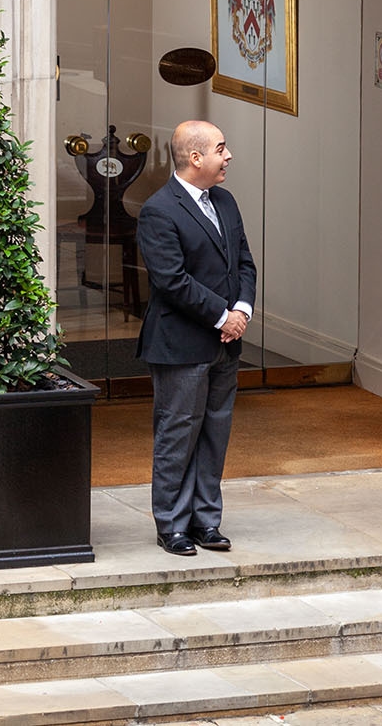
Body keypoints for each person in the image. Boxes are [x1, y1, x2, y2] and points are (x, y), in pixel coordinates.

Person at [135, 120, 255, 556]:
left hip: (225, 343)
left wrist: (241, 311)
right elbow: (172, 280)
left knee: (214, 433)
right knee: (177, 433)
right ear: (195, 158)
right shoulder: (158, 210)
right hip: (181, 346)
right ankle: (172, 524)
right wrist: (222, 316)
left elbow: (243, 262)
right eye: (222, 149)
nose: (229, 156)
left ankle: (207, 521)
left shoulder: (225, 201)